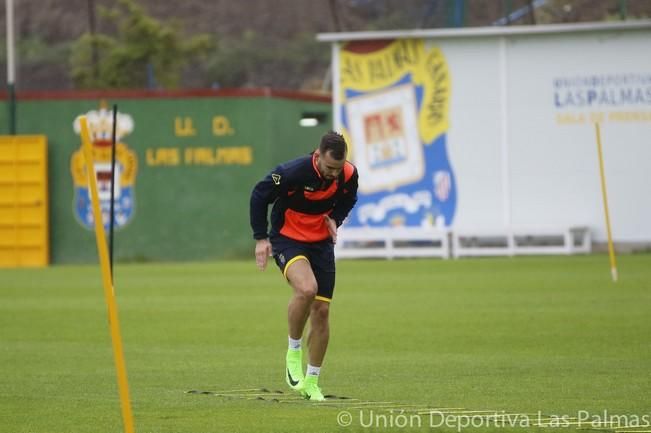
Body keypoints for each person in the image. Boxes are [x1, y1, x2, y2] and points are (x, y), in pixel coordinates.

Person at [249, 131, 358, 401]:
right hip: (288, 239)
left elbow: (348, 198)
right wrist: (261, 237)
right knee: (307, 289)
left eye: (338, 168)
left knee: (321, 311)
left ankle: (312, 382)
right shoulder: (290, 173)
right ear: (318, 156)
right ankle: (293, 351)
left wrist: (335, 218)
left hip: (321, 244)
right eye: (329, 168)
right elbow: (259, 195)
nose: (334, 174)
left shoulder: (347, 173)